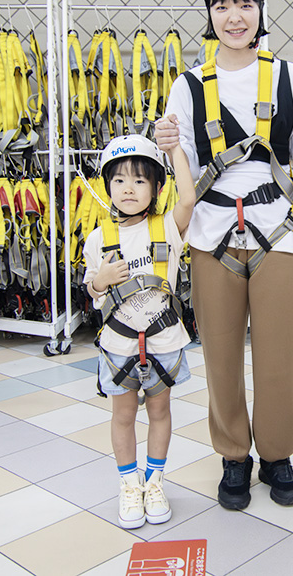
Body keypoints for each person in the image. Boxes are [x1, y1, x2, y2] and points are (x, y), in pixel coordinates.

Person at [155, 0, 293, 511]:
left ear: (261, 9)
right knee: (221, 355)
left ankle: (276, 455)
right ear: (209, 12)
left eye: (246, 4)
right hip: (212, 235)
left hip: (279, 229)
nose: (235, 16)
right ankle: (234, 455)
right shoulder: (186, 86)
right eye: (223, 5)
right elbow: (183, 169)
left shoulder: (290, 77)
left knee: (281, 355)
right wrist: (167, 147)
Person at [84, 133, 195, 529]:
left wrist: (174, 148)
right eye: (118, 180)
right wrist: (101, 280)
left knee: (160, 411)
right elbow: (92, 290)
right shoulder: (99, 238)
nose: (128, 188)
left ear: (157, 187)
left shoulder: (167, 227)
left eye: (139, 180)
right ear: (107, 186)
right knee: (123, 415)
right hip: (118, 345)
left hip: (164, 342)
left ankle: (154, 482)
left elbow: (188, 199)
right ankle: (129, 485)